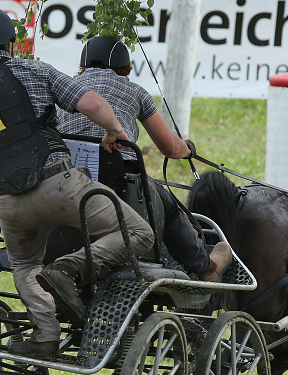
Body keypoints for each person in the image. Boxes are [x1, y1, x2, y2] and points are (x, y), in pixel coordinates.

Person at [0, 7, 154, 359]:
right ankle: (69, 269)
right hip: (59, 185)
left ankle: (45, 335)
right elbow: (89, 103)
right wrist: (114, 131)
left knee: (24, 266)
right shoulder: (32, 67)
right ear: (11, 44)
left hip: (7, 201)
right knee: (139, 233)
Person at [58, 35, 231, 282]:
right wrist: (188, 149)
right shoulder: (134, 91)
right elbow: (170, 148)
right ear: (124, 65)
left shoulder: (66, 87)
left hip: (66, 178)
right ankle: (205, 266)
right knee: (169, 208)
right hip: (119, 182)